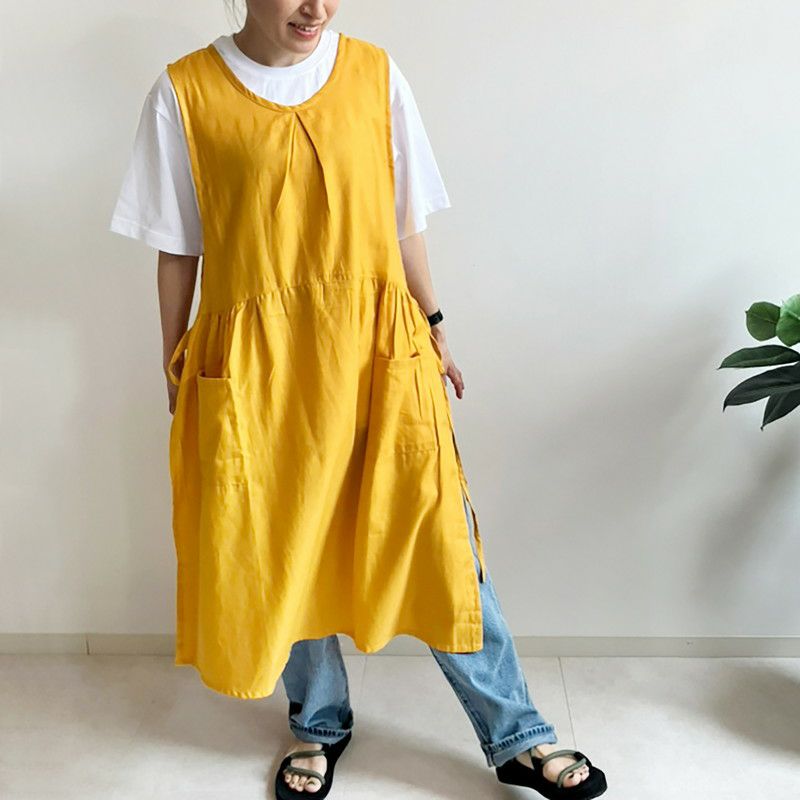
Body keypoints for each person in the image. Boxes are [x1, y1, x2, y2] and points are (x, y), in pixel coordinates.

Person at [109, 2, 607, 798]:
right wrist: (175, 364)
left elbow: (405, 220)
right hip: (260, 368)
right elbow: (178, 246)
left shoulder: (375, 74)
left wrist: (435, 325)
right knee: (285, 544)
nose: (316, 7)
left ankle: (518, 733)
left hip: (377, 348)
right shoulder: (185, 92)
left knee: (438, 541)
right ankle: (317, 723)